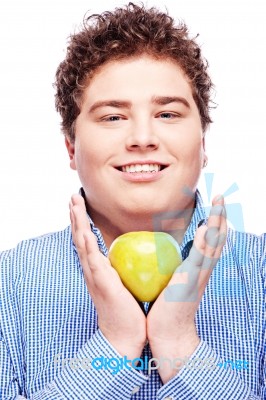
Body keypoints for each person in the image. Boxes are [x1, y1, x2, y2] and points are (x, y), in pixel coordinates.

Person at [0, 2, 265, 399]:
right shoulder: (10, 283)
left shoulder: (259, 273)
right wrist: (114, 343)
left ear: (203, 143)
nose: (142, 137)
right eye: (112, 117)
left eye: (168, 114)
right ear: (71, 148)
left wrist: (179, 346)